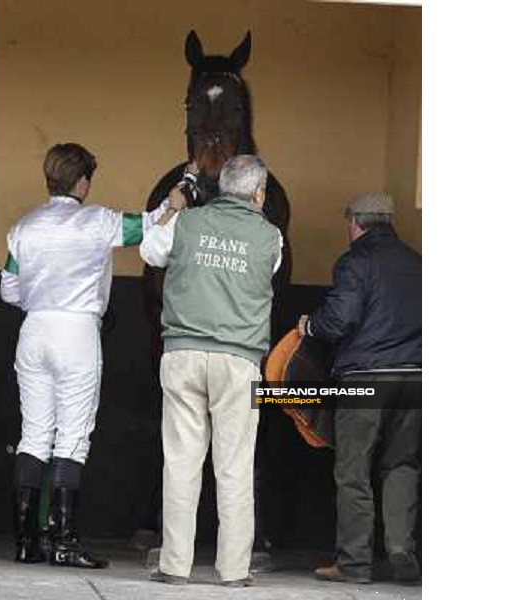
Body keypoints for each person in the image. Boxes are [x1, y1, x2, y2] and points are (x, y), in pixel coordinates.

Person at [0, 142, 185, 568]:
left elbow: (8, 288)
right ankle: (64, 543)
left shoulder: (24, 227)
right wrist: (173, 203)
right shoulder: (97, 221)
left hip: (34, 330)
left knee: (33, 436)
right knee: (72, 439)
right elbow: (146, 227)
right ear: (82, 182)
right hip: (78, 332)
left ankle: (28, 543)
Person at [140, 155, 282, 587]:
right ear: (258, 194)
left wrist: (173, 206)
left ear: (222, 187)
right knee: (235, 466)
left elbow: (149, 249)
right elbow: (268, 272)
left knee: (180, 462)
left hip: (182, 353)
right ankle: (235, 571)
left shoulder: (186, 223)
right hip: (239, 362)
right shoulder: (271, 237)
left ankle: (174, 565)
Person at [298, 192, 422, 584]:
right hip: (418, 378)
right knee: (402, 465)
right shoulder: (419, 263)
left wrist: (309, 326)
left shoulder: (356, 261)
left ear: (355, 222)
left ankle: (354, 563)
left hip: (366, 379)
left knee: (353, 470)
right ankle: (402, 551)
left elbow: (338, 320)